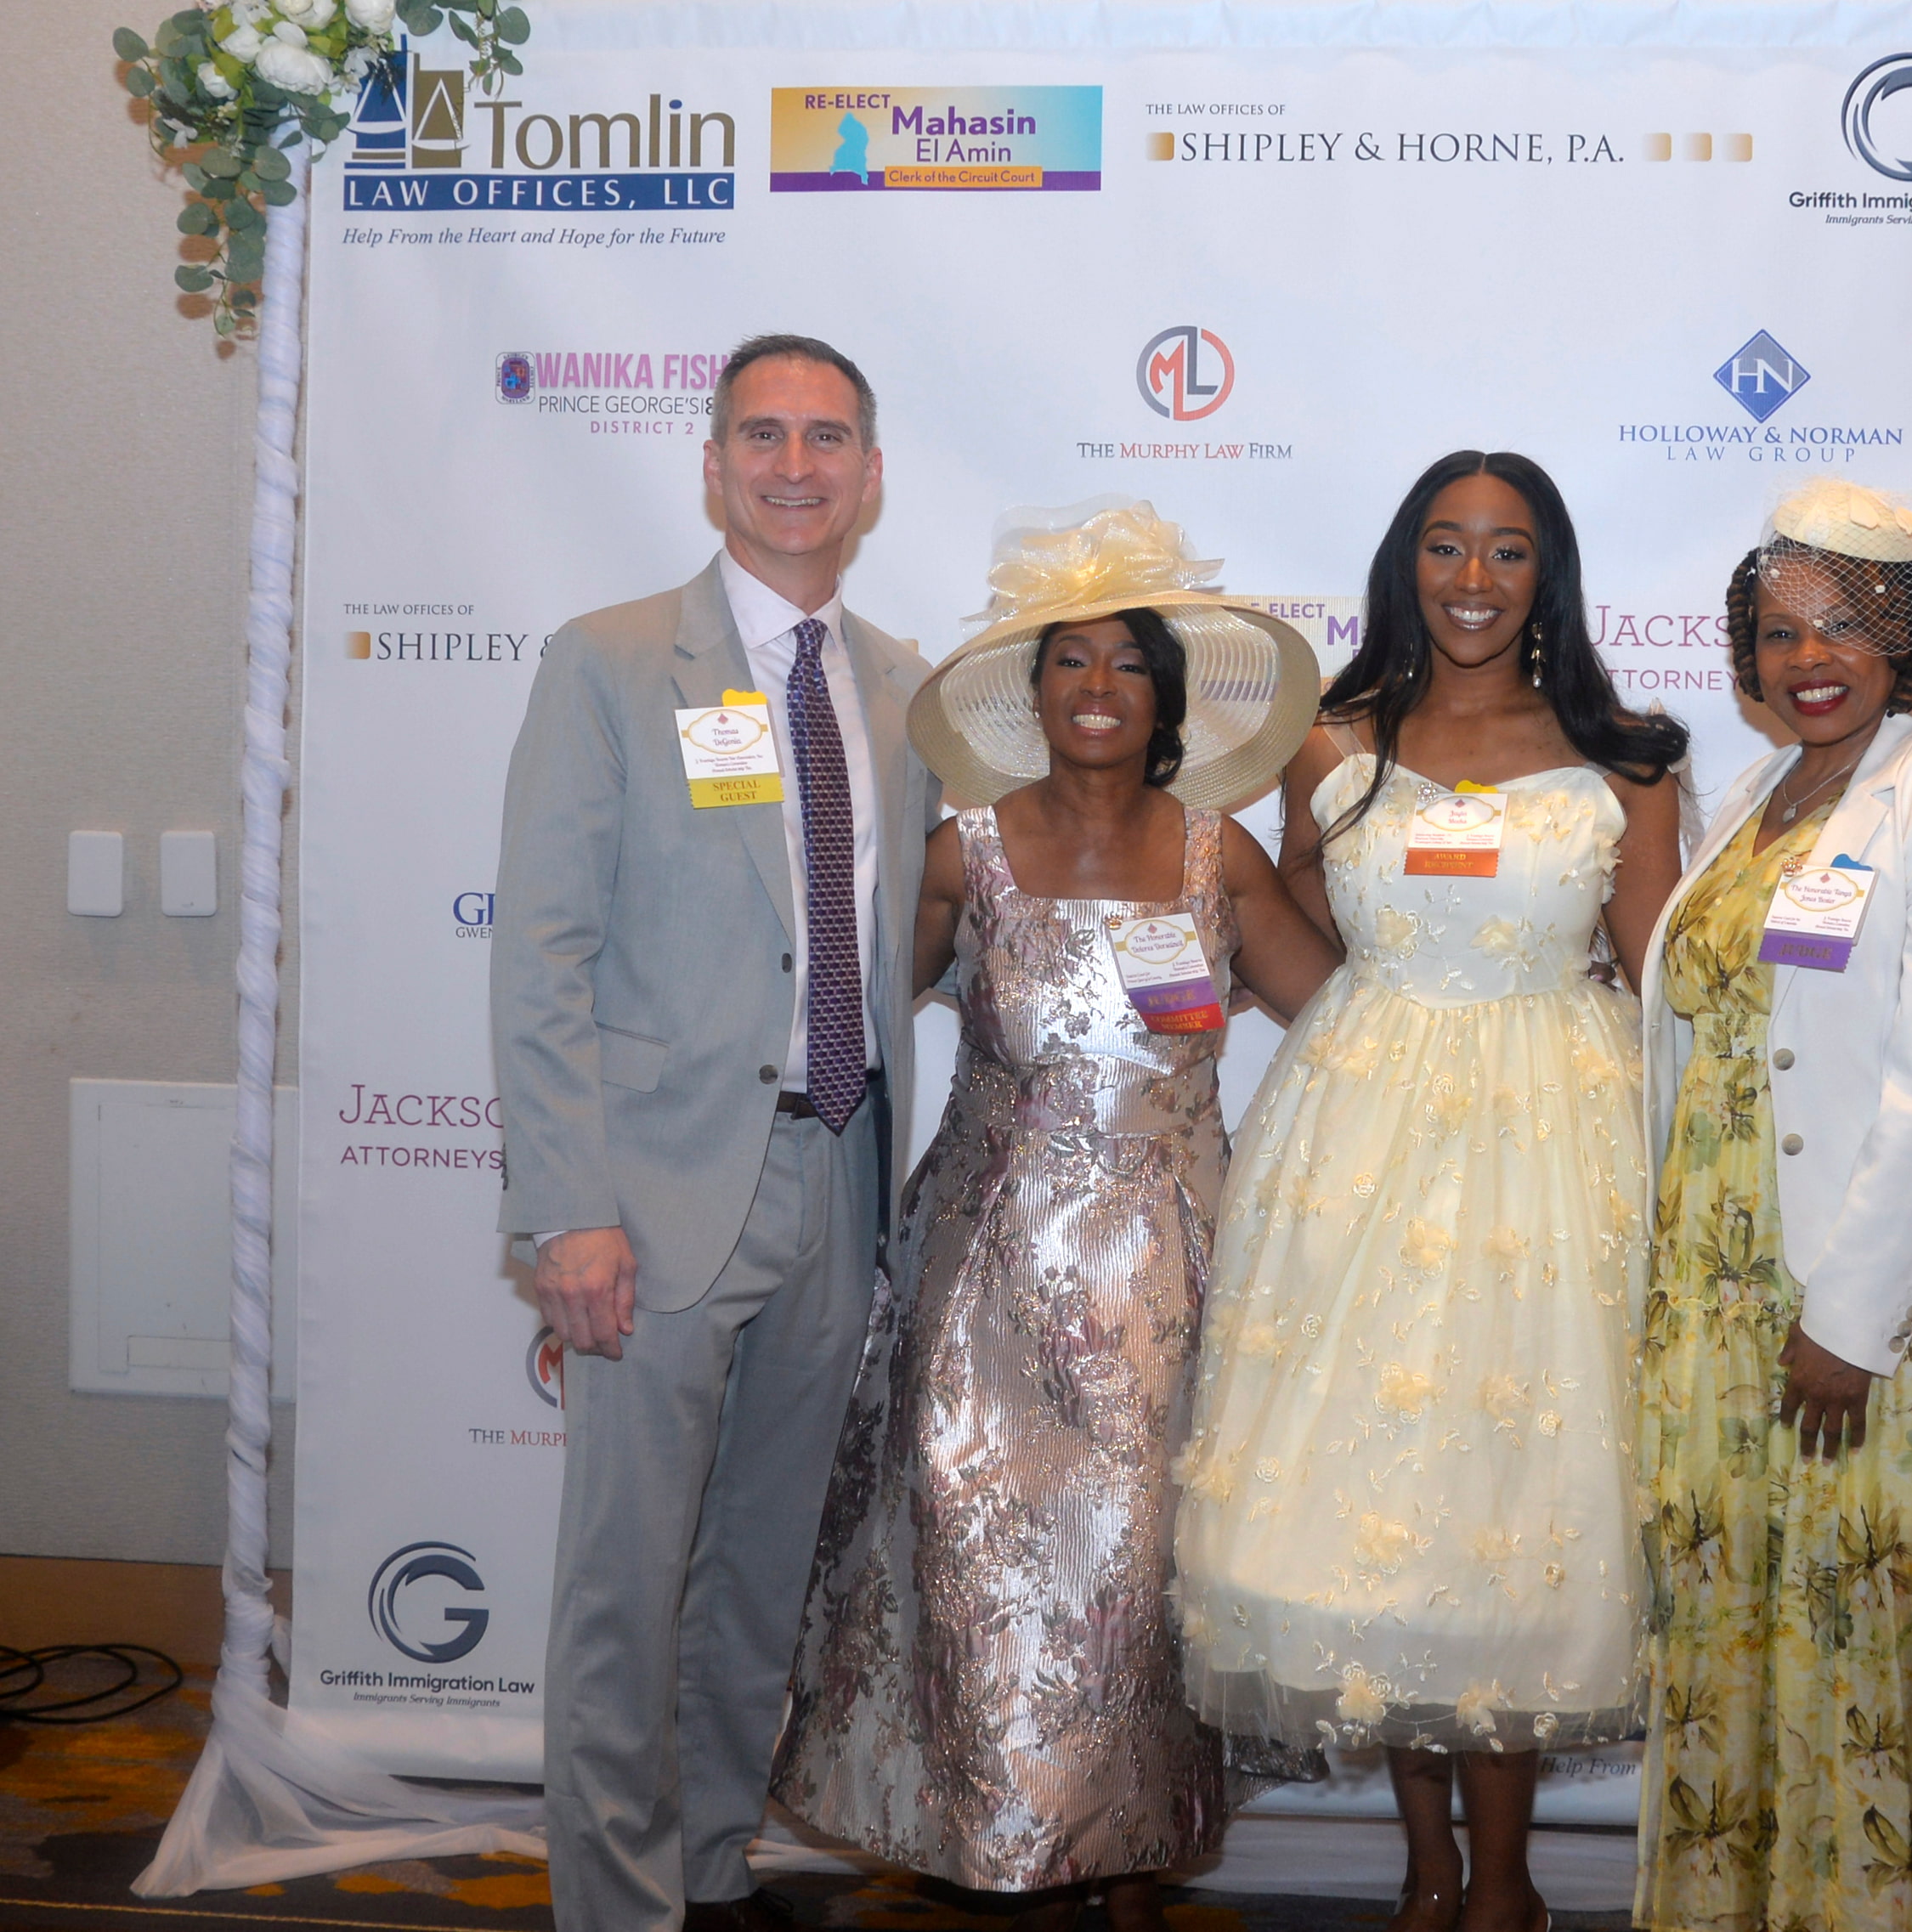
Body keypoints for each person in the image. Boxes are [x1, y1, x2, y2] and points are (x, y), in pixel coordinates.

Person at [772, 502, 1340, 1929]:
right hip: (984, 1287)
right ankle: (1013, 1863)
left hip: (1170, 1288)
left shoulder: (1222, 857)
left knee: (1136, 1594)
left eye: (1126, 665)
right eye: (1069, 662)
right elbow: (839, 1022)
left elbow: (1341, 1024)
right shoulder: (965, 852)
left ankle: (1130, 1870)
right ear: (1033, 698)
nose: (1096, 686)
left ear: (1167, 703)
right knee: (991, 1582)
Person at [1174, 451, 1686, 1932]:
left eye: (1508, 552)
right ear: (1406, 563)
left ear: (1550, 574)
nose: (1474, 579)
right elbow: (1296, 931)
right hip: (1362, 1132)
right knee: (1373, 1507)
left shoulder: (1629, 753)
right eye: (1447, 548)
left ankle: (1509, 1879)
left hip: (1558, 1145)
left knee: (1509, 1507)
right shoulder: (1329, 743)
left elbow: (1663, 967)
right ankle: (1426, 1868)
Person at [490, 334, 936, 1932]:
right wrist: (567, 1208)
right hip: (654, 1204)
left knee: (755, 1591)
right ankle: (613, 1912)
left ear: (872, 477)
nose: (795, 465)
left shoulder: (903, 686)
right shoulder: (609, 664)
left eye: (828, 438)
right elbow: (539, 953)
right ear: (712, 465)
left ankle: (700, 1874)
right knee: (624, 1598)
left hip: (838, 1183)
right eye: (763, 435)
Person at [1630, 479, 1912, 1932]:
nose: (1812, 655)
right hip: (1726, 1295)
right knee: (1737, 1639)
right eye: (1782, 628)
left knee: (1856, 1652)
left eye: (1849, 627)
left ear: (1910, 643)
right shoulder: (1753, 798)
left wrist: (1852, 1321)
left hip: (1878, 1306)